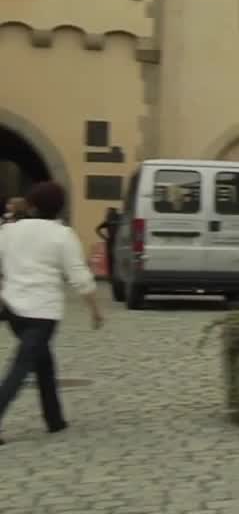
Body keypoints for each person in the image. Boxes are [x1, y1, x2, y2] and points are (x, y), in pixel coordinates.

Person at [0, 182, 104, 445]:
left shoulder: (9, 231)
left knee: (43, 361)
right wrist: (95, 310)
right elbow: (79, 277)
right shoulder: (62, 235)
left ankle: (54, 419)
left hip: (12, 309)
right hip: (42, 311)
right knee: (22, 366)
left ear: (32, 205)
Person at [95, 207, 121, 281]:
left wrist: (105, 237)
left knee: (111, 259)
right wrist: (105, 237)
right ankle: (113, 277)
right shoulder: (118, 219)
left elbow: (97, 229)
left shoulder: (109, 220)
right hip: (116, 242)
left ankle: (111, 277)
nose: (108, 213)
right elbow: (97, 229)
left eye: (109, 212)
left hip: (111, 242)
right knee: (114, 259)